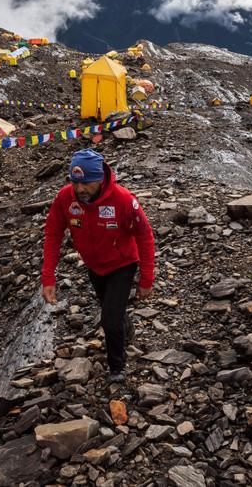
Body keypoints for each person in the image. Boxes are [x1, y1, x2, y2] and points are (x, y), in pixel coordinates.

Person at [42, 148, 155, 382]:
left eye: (87, 184)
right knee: (112, 308)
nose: (80, 189)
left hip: (123, 263)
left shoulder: (123, 200)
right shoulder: (65, 198)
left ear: (101, 179)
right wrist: (48, 278)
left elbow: (145, 236)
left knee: (109, 319)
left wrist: (146, 279)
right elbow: (53, 234)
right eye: (75, 183)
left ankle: (117, 368)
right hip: (95, 266)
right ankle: (126, 327)